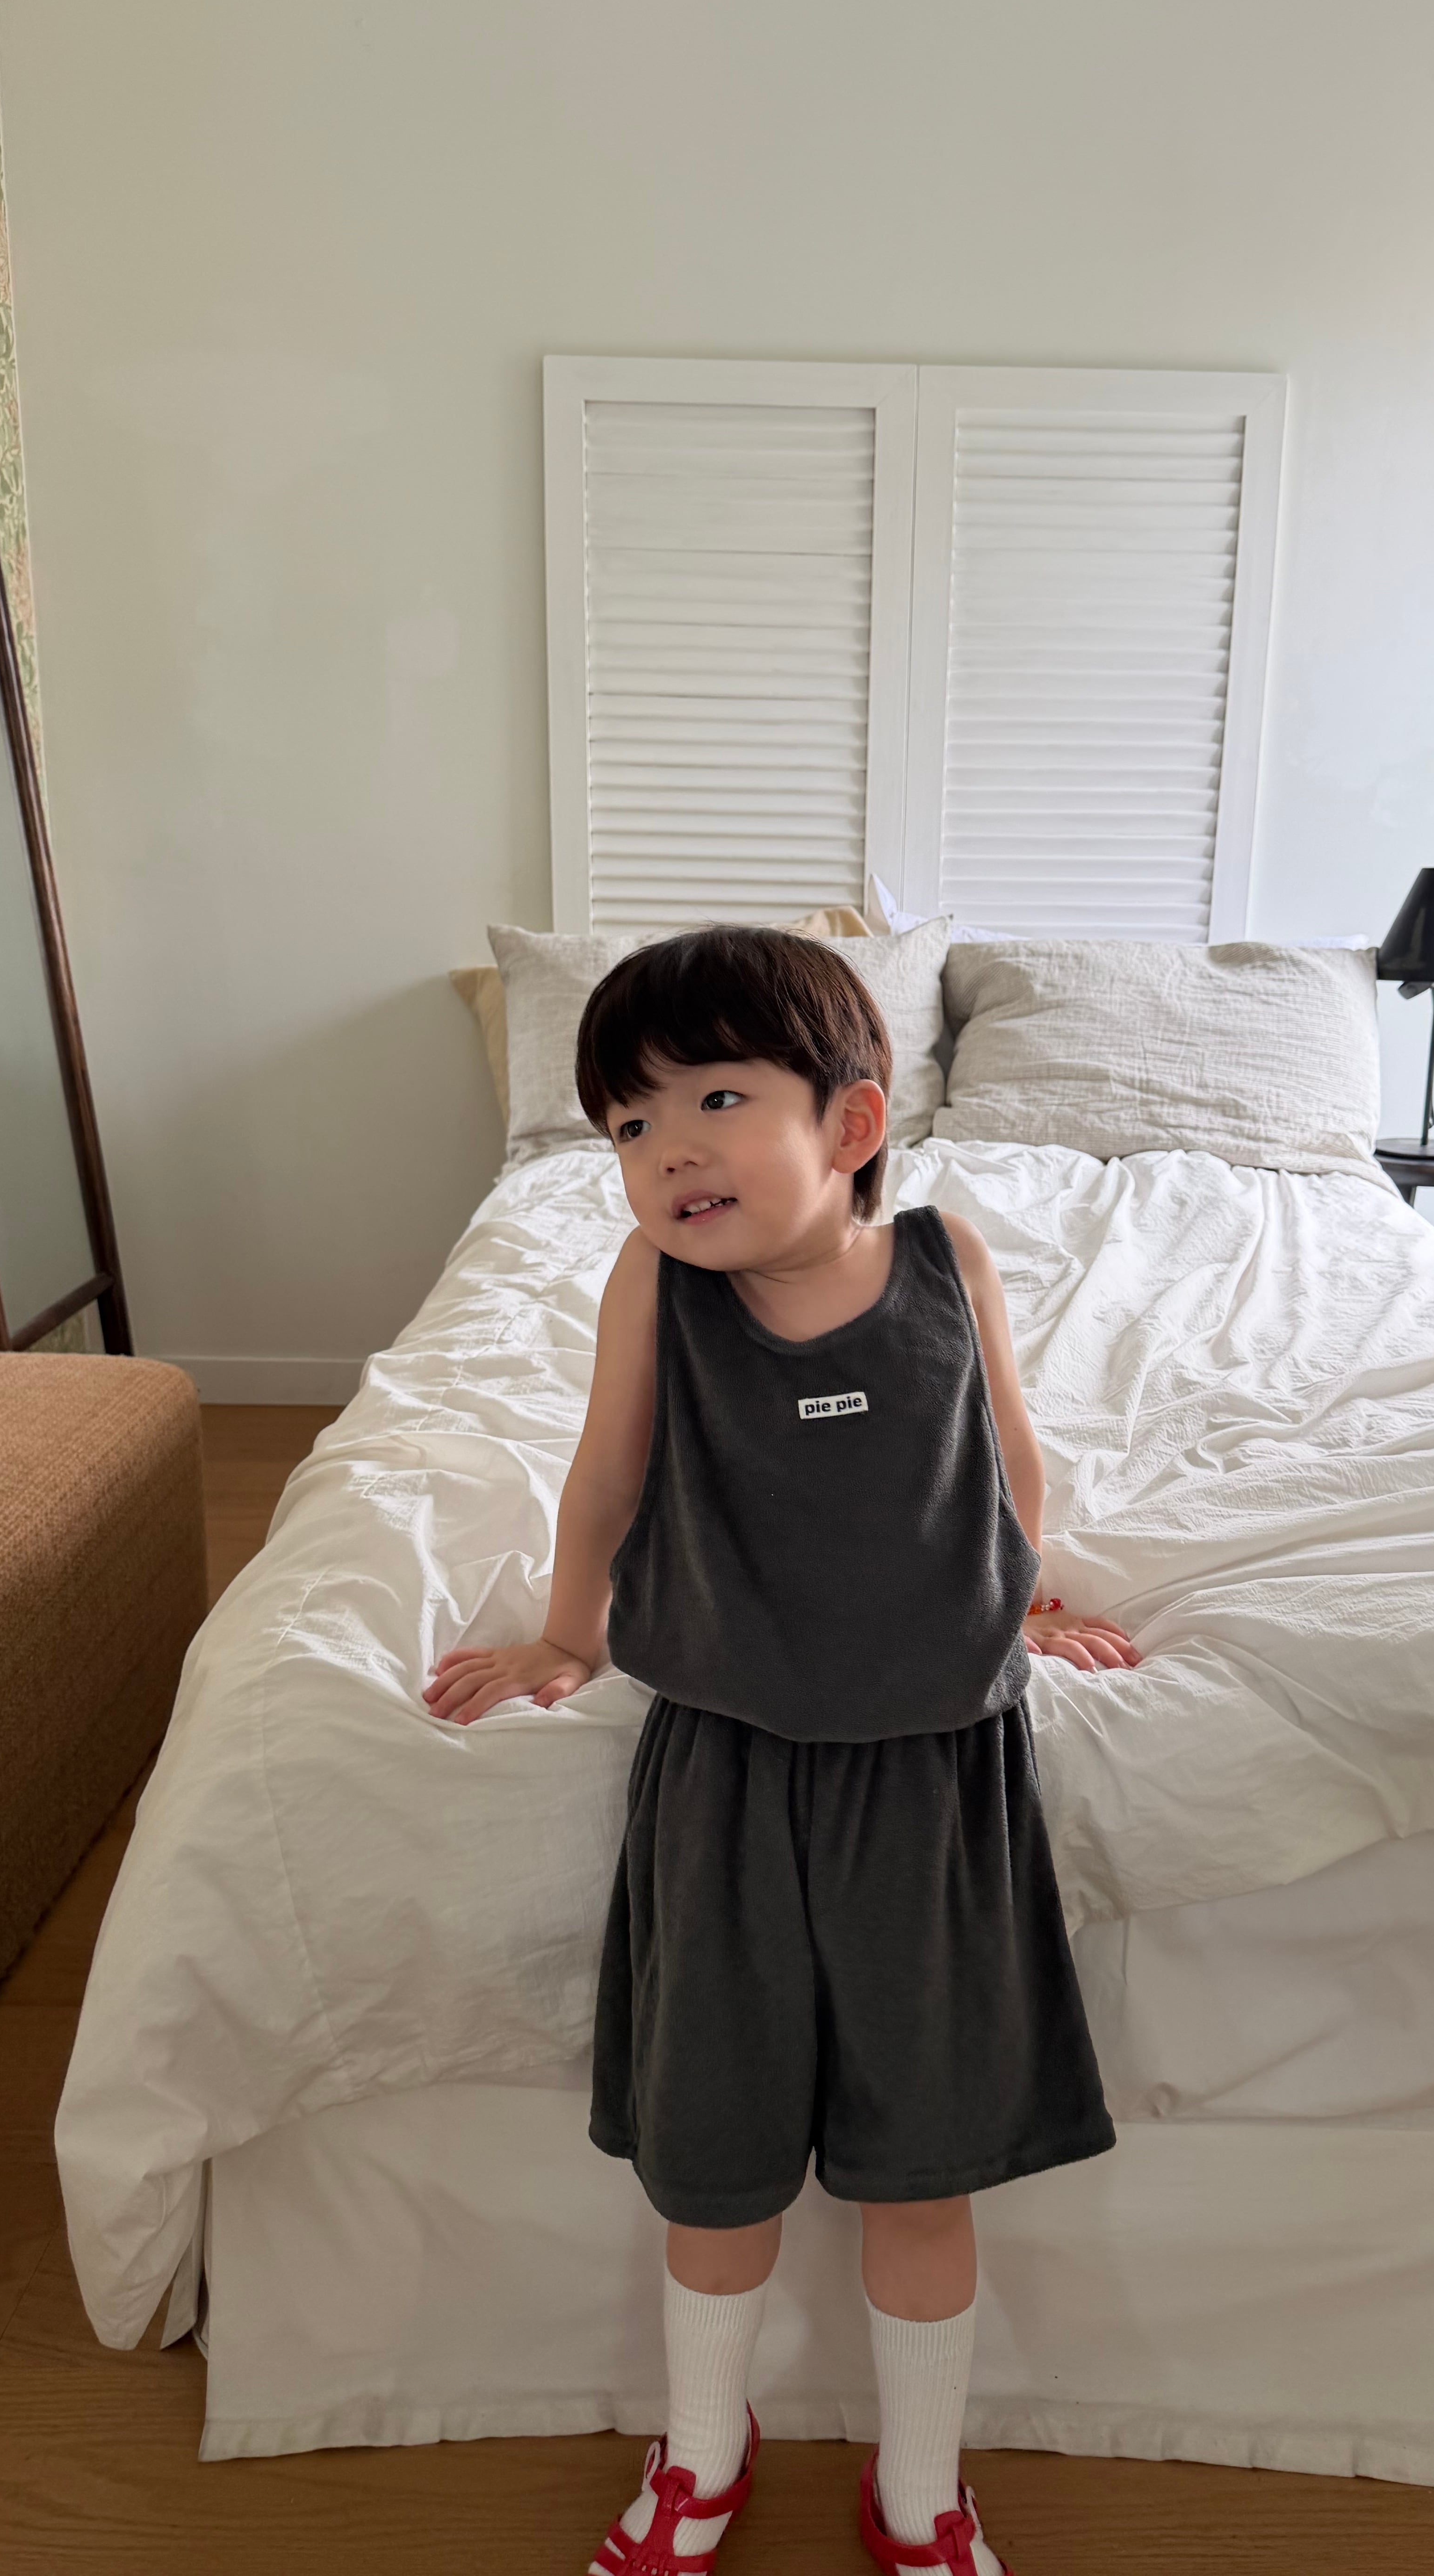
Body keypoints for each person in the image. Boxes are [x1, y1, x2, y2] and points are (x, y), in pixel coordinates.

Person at [424, 924, 1137, 2575]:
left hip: (937, 1777)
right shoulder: (659, 1289)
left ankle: (920, 2490)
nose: (668, 1149)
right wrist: (566, 1634)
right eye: (628, 1124)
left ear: (852, 1124)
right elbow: (605, 1477)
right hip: (726, 1771)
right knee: (714, 2163)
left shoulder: (949, 1263)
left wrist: (1021, 1599)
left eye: (716, 1100)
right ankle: (700, 2454)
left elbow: (1006, 1456)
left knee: (924, 2169)